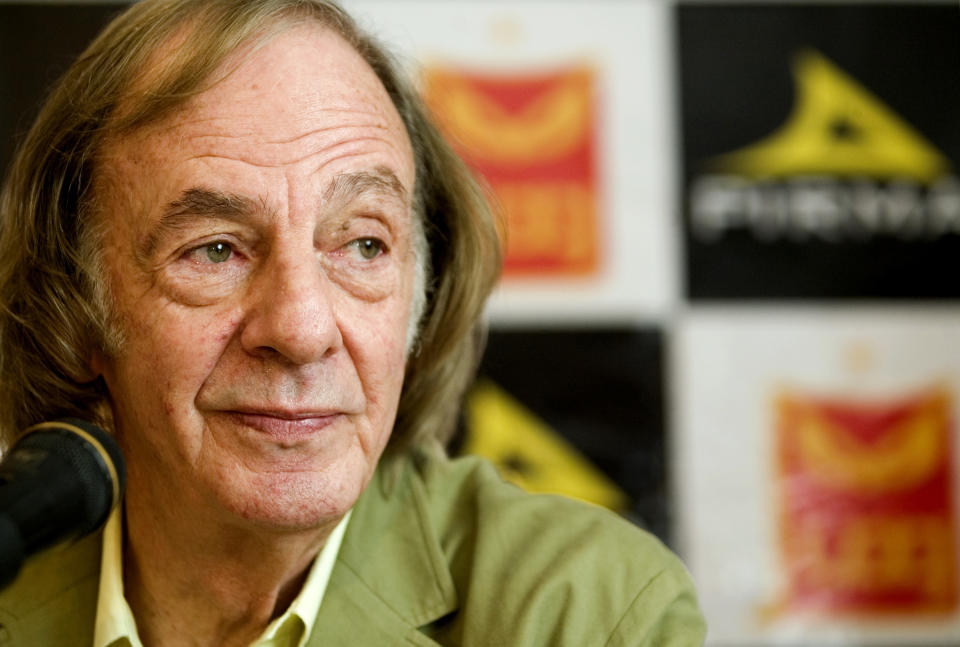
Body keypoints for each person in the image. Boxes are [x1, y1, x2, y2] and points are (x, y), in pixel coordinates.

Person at [0, 0, 706, 645]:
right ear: (78, 306)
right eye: (215, 249)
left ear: (420, 300)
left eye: (363, 244)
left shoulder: (588, 616)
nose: (303, 329)